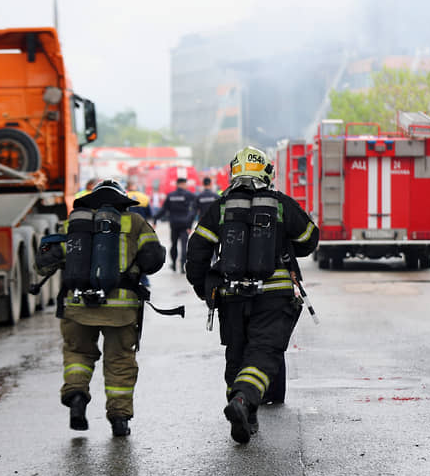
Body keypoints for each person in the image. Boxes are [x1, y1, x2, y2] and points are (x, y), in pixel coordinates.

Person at [185, 147, 319, 444]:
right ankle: (244, 402)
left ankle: (245, 410)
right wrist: (281, 239)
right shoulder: (280, 204)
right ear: (267, 173)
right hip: (274, 297)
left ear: (234, 172)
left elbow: (197, 253)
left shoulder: (220, 207)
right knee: (263, 353)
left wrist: (204, 289)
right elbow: (310, 239)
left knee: (236, 355)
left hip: (231, 295)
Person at [36, 179, 165, 437]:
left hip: (77, 307)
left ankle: (76, 397)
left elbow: (44, 263)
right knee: (119, 362)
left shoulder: (75, 224)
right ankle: (119, 420)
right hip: (121, 310)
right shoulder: (135, 223)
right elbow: (154, 260)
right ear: (123, 202)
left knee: (78, 355)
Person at [153, 177, 195, 273]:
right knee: (184, 245)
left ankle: (174, 264)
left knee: (174, 244)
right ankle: (182, 265)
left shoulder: (171, 196)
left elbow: (163, 210)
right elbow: (194, 210)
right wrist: (190, 224)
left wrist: (155, 218)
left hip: (174, 224)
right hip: (185, 224)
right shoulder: (189, 195)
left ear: (177, 184)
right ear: (183, 184)